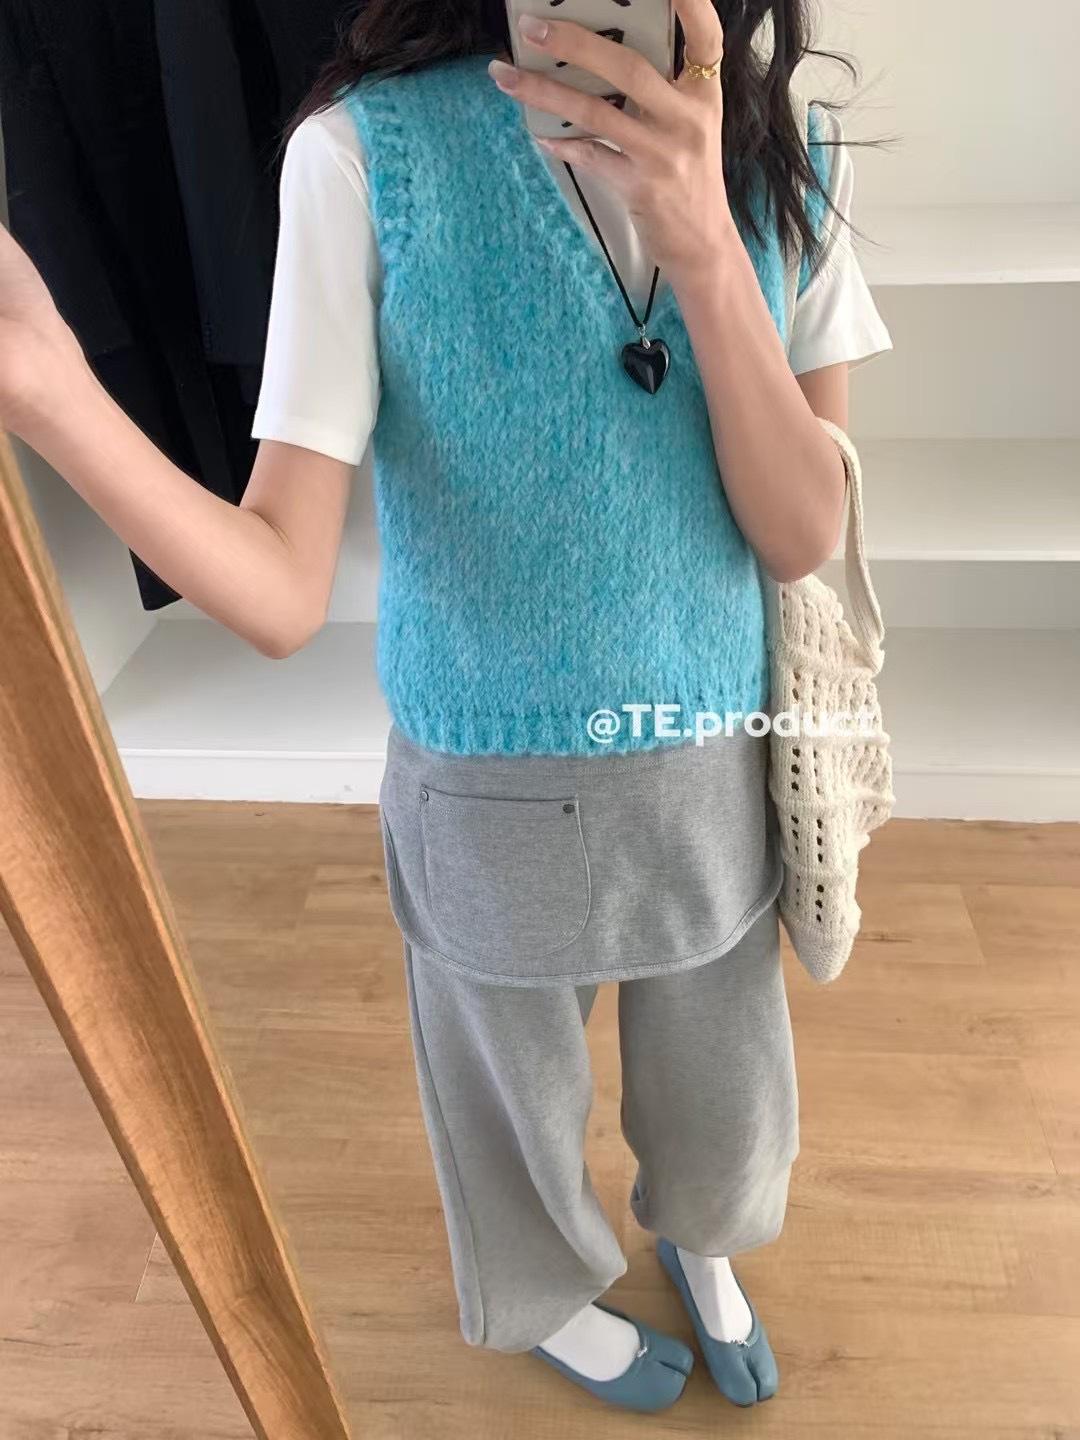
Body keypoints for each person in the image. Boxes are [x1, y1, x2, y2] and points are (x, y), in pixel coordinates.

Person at [0, 0, 892, 1415]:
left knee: (727, 1098)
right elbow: (281, 586)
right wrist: (53, 393)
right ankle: (547, 1300)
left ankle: (705, 1243)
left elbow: (799, 538)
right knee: (505, 1107)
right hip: (487, 786)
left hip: (715, 765)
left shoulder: (790, 149)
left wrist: (708, 247)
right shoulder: (366, 158)